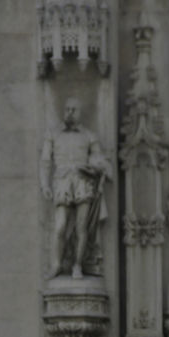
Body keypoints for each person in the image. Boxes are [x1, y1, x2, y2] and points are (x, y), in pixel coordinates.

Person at [39, 96, 111, 279]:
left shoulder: (88, 135)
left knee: (81, 227)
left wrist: (94, 168)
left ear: (80, 113)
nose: (69, 113)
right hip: (61, 181)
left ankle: (78, 265)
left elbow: (100, 161)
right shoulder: (53, 134)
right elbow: (46, 161)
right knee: (60, 226)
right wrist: (45, 184)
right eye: (67, 109)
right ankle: (56, 264)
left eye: (73, 110)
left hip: (82, 182)